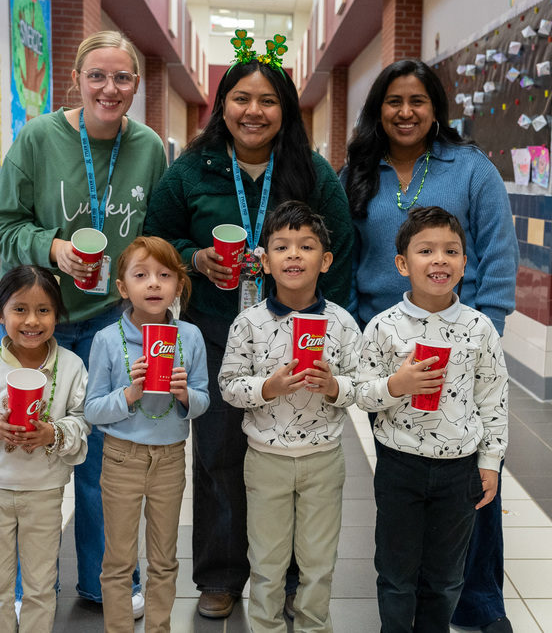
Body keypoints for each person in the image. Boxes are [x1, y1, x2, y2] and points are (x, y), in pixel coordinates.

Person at [144, 32, 353, 619]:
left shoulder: (310, 172)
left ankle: (285, 576)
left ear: (284, 109)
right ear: (222, 105)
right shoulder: (193, 169)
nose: (253, 111)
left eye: (267, 100)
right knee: (218, 454)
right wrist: (193, 258)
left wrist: (323, 327)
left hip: (296, 333)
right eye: (240, 98)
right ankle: (219, 574)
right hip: (217, 329)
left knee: (288, 455)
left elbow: (341, 251)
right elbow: (157, 240)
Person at [0, 30, 165, 616]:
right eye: (98, 76)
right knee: (24, 455)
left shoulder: (146, 148)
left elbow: (152, 237)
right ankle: (21, 589)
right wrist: (53, 248)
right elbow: (3, 229)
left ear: (136, 85)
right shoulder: (38, 139)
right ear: (77, 80)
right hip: (36, 321)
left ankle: (105, 581)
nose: (109, 89)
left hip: (106, 323)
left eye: (122, 78)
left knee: (101, 464)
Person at [341, 59, 518, 633]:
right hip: (386, 345)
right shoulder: (358, 169)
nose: (406, 111)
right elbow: (344, 255)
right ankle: (408, 592)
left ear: (435, 107)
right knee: (404, 469)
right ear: (378, 108)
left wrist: (480, 329)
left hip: (460, 343)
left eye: (418, 100)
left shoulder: (469, 168)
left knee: (472, 475)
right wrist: (353, 335)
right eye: (394, 100)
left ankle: (479, 600)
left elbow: (497, 251)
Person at [354, 207, 509, 633]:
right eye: (426, 250)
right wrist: (397, 384)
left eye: (451, 251)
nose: (439, 259)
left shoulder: (480, 329)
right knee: (396, 570)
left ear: (464, 263)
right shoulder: (383, 328)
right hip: (399, 464)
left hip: (459, 468)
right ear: (403, 264)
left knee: (445, 576)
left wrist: (490, 463)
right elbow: (361, 395)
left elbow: (494, 398)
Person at [219, 201, 359, 632]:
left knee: (318, 562)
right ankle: (265, 626)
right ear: (264, 260)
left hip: (323, 460)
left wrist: (335, 386)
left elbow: (362, 385)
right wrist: (268, 387)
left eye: (306, 246)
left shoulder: (341, 323)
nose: (294, 255)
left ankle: (314, 625)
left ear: (326, 260)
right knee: (266, 560)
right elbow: (228, 385)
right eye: (281, 247)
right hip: (265, 460)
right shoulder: (248, 322)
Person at [0, 265, 90, 633]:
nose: (32, 320)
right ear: (0, 314)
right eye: (19, 309)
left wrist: (52, 434)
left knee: (41, 586)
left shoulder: (71, 367)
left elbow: (82, 423)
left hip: (43, 492)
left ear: (58, 314)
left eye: (44, 310)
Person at [85, 237, 210, 633]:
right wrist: (130, 394)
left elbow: (205, 400)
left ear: (178, 284)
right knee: (118, 560)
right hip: (122, 456)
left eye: (164, 275)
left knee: (165, 559)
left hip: (170, 459)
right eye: (141, 275)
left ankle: (159, 628)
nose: (153, 284)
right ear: (123, 288)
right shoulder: (107, 340)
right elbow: (92, 409)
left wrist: (184, 393)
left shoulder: (189, 337)